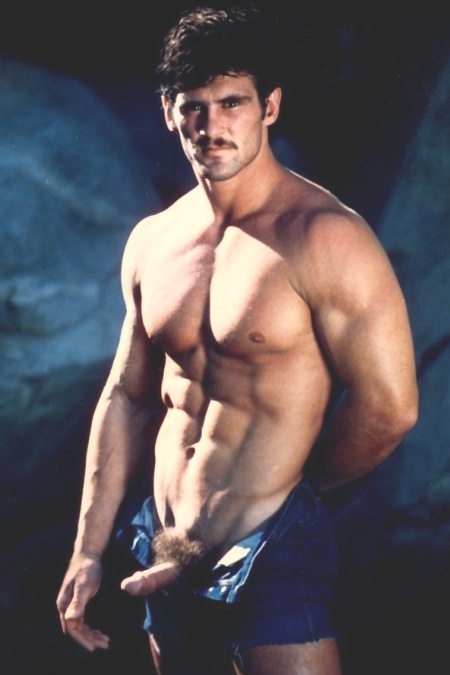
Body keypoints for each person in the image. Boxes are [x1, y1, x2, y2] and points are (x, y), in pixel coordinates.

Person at [56, 6, 418, 674]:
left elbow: (391, 408)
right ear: (168, 113)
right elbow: (127, 396)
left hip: (269, 544)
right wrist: (87, 548)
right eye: (194, 106)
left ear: (269, 107)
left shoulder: (325, 238)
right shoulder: (154, 240)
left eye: (232, 103)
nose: (212, 126)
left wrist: (294, 493)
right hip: (166, 544)